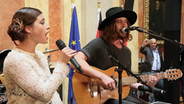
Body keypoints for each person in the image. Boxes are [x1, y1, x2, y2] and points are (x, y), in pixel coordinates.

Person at [72, 7, 160, 104]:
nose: (124, 24)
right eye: (119, 21)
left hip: (118, 96)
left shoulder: (127, 52)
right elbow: (75, 61)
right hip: (100, 98)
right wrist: (102, 76)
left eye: (126, 21)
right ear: (110, 25)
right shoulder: (98, 44)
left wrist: (148, 84)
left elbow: (127, 80)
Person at [3, 7, 76, 104]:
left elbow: (52, 93)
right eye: (42, 23)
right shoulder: (15, 59)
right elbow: (45, 95)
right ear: (28, 28)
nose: (48, 26)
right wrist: (62, 63)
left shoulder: (40, 55)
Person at [139, 38, 164, 102]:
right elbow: (141, 50)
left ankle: (160, 101)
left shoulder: (159, 51)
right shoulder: (147, 50)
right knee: (151, 87)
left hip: (158, 72)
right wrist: (144, 45)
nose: (153, 44)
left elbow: (161, 61)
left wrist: (162, 70)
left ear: (156, 44)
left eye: (154, 43)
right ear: (150, 44)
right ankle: (152, 102)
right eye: (152, 43)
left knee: (161, 86)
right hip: (151, 72)